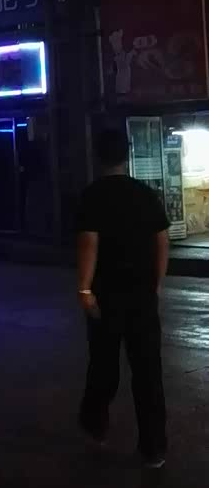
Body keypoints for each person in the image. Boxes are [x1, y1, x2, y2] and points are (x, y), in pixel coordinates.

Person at [76, 128, 169, 467]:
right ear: (126, 155)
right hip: (142, 295)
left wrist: (84, 289)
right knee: (148, 371)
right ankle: (153, 448)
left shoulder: (92, 196)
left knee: (103, 363)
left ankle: (96, 426)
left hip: (106, 296)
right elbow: (162, 242)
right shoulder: (146, 194)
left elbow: (89, 244)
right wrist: (156, 284)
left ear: (98, 155)